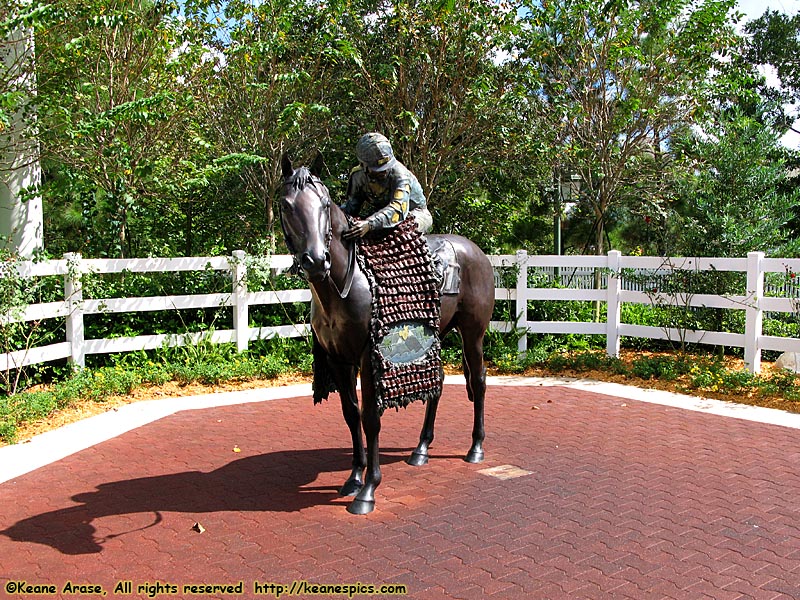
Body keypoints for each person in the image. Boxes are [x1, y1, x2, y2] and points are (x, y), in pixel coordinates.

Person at [341, 133, 433, 240]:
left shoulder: (401, 175)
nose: (384, 171)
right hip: (380, 215)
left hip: (414, 214)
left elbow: (398, 208)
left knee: (401, 235)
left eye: (386, 166)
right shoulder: (358, 176)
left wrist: (369, 224)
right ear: (363, 165)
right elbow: (351, 206)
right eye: (378, 169)